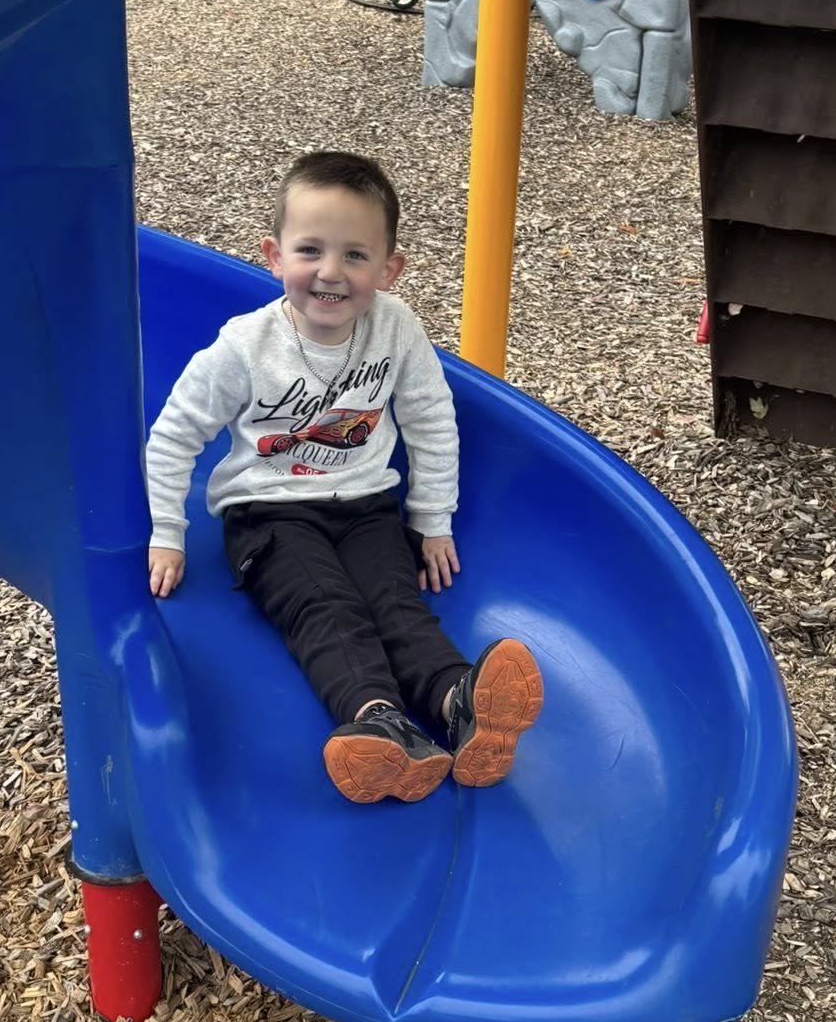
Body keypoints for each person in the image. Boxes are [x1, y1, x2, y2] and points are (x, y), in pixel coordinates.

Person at [145, 150, 542, 804]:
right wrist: (167, 530)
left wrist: (432, 521)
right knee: (326, 608)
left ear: (389, 269)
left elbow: (432, 422)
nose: (331, 273)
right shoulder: (244, 346)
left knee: (397, 605)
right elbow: (173, 435)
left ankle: (459, 703)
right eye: (310, 251)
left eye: (356, 256)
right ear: (273, 256)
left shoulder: (397, 330)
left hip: (366, 505)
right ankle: (376, 724)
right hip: (267, 514)